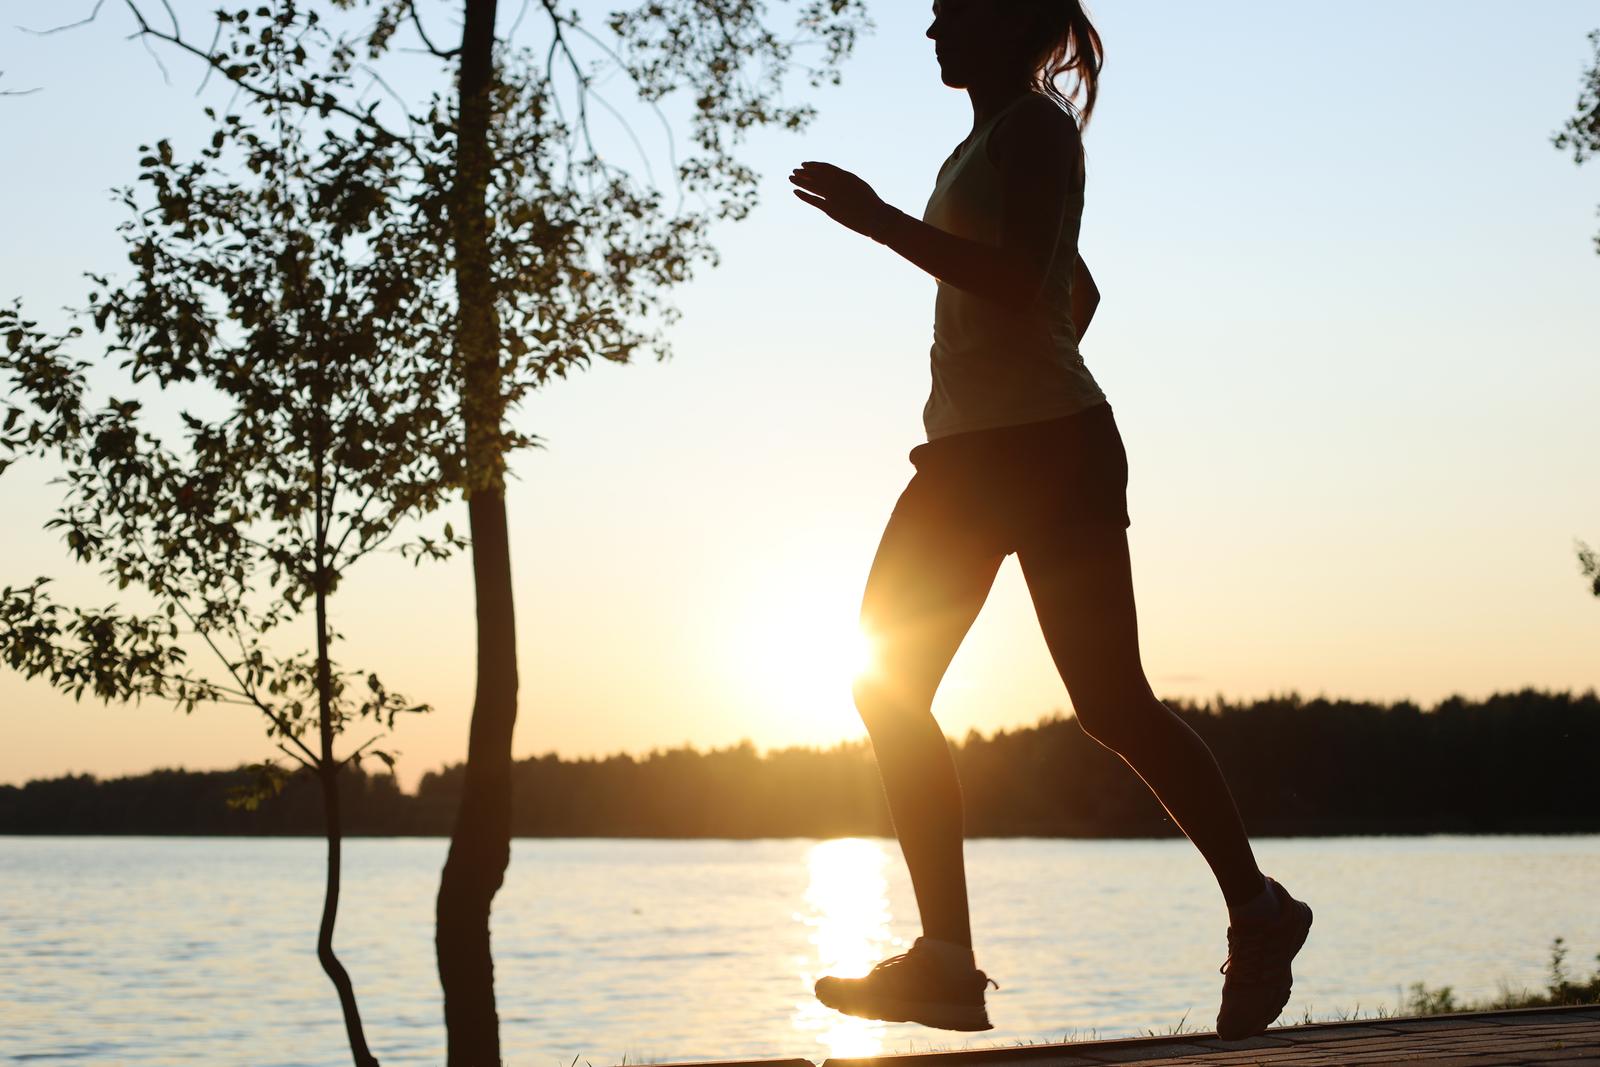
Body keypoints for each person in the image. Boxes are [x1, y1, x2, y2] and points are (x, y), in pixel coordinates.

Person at [786, 0, 1312, 1043]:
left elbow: (1026, 279)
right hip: (981, 449)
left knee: (1109, 702)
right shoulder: (989, 139)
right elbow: (1076, 287)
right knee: (889, 685)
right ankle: (946, 961)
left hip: (1043, 452)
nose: (930, 33)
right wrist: (1021, 360)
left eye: (946, 13)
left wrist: (878, 219)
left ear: (1001, 17)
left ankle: (1259, 911)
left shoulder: (1033, 126)